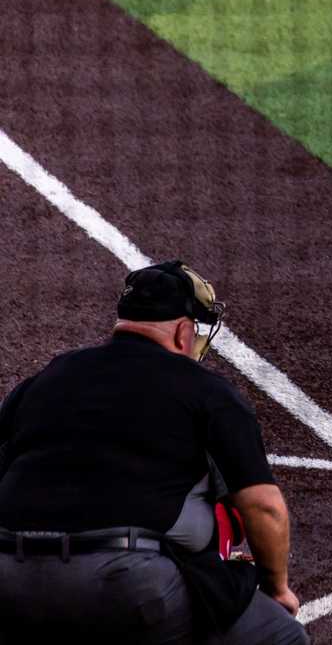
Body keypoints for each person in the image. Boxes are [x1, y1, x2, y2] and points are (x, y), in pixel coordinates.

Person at [0, 261, 309, 645]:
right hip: (127, 585)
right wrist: (277, 587)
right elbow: (264, 508)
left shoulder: (44, 380)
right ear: (183, 331)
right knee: (281, 635)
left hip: (8, 580)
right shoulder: (206, 391)